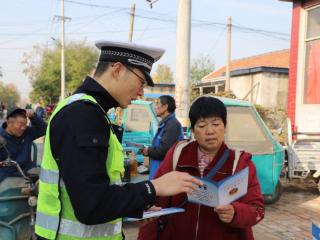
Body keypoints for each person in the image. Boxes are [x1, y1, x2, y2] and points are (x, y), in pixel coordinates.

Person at [35, 40, 202, 240]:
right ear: (117, 69)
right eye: (141, 81)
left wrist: (130, 211)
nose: (141, 92)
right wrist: (154, 187)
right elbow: (91, 205)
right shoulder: (82, 115)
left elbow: (94, 192)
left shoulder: (93, 111)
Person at [139, 96, 265, 240]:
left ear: (225, 126)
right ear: (192, 129)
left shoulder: (241, 163)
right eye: (202, 125)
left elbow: (257, 210)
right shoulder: (177, 155)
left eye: (216, 124)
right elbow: (156, 198)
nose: (210, 131)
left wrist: (236, 213)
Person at [140, 95, 184, 179]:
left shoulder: (172, 125)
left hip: (164, 176)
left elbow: (164, 151)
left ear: (165, 107)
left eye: (157, 104)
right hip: (158, 173)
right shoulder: (166, 124)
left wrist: (148, 151)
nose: (155, 107)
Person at [0, 108, 47, 182]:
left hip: (29, 172)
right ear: (9, 123)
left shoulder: (27, 132)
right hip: (8, 177)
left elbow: (44, 129)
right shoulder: (1, 137)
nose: (23, 128)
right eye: (20, 124)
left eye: (25, 124)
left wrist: (33, 117)